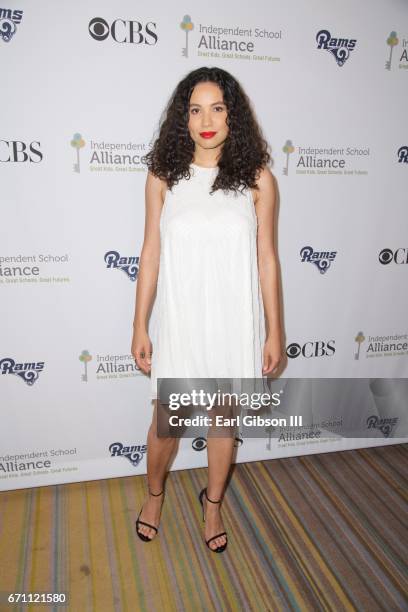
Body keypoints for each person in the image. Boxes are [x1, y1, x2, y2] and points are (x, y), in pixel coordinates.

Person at [131, 66, 282, 553]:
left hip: (234, 321)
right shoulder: (163, 177)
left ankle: (212, 504)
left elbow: (267, 259)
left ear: (233, 116)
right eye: (196, 109)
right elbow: (150, 252)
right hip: (180, 320)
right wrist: (139, 323)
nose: (206, 119)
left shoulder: (257, 180)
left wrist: (275, 331)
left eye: (217, 108)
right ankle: (155, 495)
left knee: (223, 424)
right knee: (165, 426)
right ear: (184, 118)